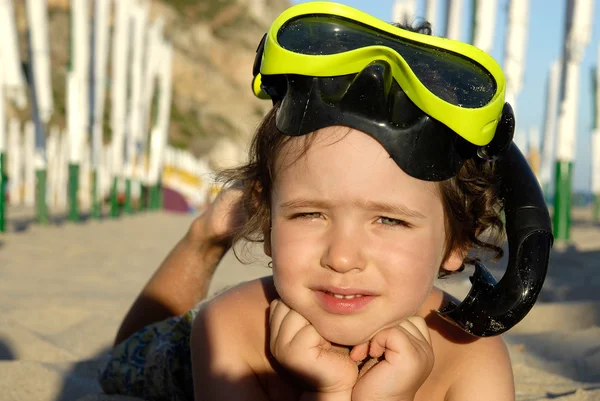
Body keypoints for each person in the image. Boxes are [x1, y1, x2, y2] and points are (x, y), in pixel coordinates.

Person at [99, 2, 531, 400]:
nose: (342, 258)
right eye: (309, 213)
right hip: (179, 357)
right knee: (121, 365)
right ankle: (207, 237)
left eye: (389, 220)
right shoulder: (225, 328)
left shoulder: (471, 356)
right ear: (266, 221)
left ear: (457, 242)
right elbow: (117, 374)